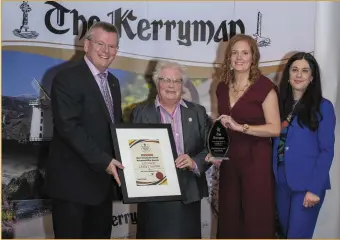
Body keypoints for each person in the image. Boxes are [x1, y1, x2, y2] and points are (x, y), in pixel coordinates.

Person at [45, 22, 124, 238]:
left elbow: (115, 128)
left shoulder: (114, 83)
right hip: (73, 189)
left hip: (101, 190)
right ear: (86, 45)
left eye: (112, 46)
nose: (106, 51)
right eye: (100, 43)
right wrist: (105, 162)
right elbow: (69, 127)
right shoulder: (67, 78)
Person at [207, 34, 281, 238]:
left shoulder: (265, 88)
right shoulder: (221, 87)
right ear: (229, 57)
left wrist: (241, 128)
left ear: (253, 57)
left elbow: (275, 129)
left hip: (256, 161)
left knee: (255, 219)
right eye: (234, 53)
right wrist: (215, 150)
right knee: (230, 219)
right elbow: (222, 124)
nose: (239, 57)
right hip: (230, 163)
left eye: (245, 53)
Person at [131, 61, 212, 238]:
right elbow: (132, 153)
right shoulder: (140, 113)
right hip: (153, 195)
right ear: (156, 82)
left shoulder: (198, 112)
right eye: (166, 80)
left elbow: (210, 147)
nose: (171, 85)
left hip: (188, 192)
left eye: (176, 81)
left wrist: (194, 162)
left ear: (182, 85)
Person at [273, 52, 336, 238]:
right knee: (286, 234)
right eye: (294, 70)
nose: (299, 75)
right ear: (288, 75)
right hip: (281, 183)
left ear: (312, 77)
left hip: (307, 185)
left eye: (304, 71)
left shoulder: (323, 106)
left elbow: (327, 150)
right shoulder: (278, 106)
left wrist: (315, 189)